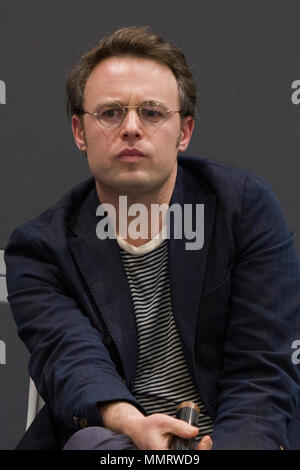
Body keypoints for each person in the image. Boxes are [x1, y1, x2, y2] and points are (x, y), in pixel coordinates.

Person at [4, 26, 300, 451]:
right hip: (117, 437)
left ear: (184, 132)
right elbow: (70, 359)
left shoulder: (244, 208)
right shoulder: (40, 248)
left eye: (152, 112)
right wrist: (132, 424)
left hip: (234, 432)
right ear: (79, 132)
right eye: (109, 113)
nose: (130, 128)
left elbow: (260, 370)